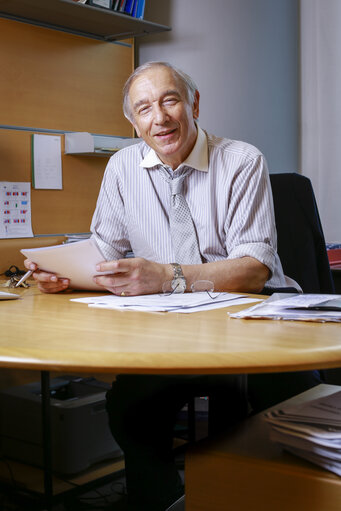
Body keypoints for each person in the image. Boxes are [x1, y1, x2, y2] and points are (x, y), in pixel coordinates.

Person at [24, 62, 320, 510]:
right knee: (130, 408)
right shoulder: (122, 168)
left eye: (169, 100)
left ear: (193, 103)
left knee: (291, 409)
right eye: (144, 108)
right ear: (132, 121)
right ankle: (165, 502)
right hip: (175, 323)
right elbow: (104, 250)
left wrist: (166, 276)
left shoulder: (241, 160)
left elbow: (255, 269)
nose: (159, 117)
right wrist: (66, 274)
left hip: (259, 316)